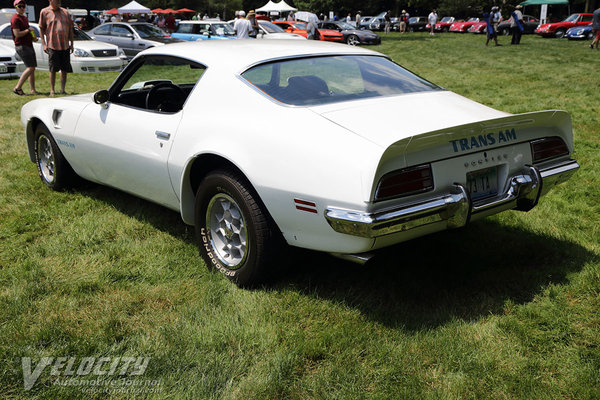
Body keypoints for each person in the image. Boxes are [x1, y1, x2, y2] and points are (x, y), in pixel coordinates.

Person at [39, 0, 73, 96]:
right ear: (50, 0)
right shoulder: (44, 12)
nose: (59, 1)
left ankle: (63, 89)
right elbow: (41, 28)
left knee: (64, 69)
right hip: (52, 45)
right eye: (56, 0)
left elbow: (70, 28)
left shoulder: (65, 12)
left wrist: (72, 44)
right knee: (53, 69)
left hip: (65, 45)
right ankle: (52, 90)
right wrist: (44, 44)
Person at [11, 0, 38, 95]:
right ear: (16, 7)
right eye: (20, 6)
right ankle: (17, 88)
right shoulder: (15, 19)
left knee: (32, 68)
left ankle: (32, 89)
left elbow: (29, 30)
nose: (22, 8)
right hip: (21, 46)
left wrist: (33, 37)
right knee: (30, 67)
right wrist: (27, 30)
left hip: (29, 45)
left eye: (23, 6)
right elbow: (17, 34)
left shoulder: (24, 18)